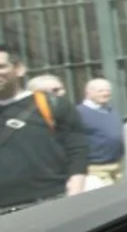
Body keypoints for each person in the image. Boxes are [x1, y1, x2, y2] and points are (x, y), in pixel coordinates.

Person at [0, 44, 91, 212]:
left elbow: (77, 149)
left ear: (19, 69)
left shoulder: (52, 105)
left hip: (49, 202)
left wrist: (75, 193)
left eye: (2, 67)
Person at [78, 78, 124, 183]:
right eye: (101, 91)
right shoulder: (79, 113)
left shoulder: (110, 110)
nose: (105, 94)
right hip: (96, 168)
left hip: (116, 165)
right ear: (88, 93)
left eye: (108, 91)